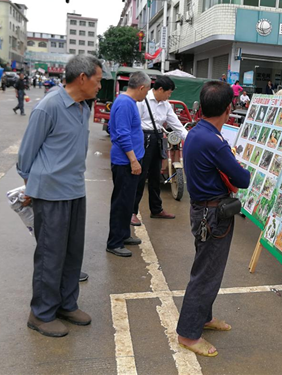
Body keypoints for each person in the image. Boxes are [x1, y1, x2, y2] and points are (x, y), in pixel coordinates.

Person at [17, 55, 103, 338]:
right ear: (82, 78)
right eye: (98, 80)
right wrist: (31, 187)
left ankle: (66, 304)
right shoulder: (49, 106)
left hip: (76, 190)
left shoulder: (83, 107)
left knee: (72, 253)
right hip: (51, 193)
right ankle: (40, 314)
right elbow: (26, 154)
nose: (100, 86)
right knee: (50, 256)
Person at [176, 81, 250, 357]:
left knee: (206, 269)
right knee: (206, 275)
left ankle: (203, 318)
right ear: (229, 109)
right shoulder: (214, 141)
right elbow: (242, 179)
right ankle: (188, 334)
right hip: (213, 216)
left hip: (202, 211)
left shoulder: (197, 132)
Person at [107, 71, 152, 257]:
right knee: (122, 202)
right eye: (147, 90)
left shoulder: (127, 102)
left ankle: (123, 235)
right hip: (126, 162)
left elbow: (112, 127)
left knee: (128, 201)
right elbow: (122, 134)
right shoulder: (125, 103)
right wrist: (133, 160)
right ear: (141, 87)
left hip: (130, 160)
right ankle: (114, 242)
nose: (147, 95)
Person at [133, 76, 187, 223]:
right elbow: (135, 123)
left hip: (158, 138)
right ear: (160, 90)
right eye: (168, 93)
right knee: (140, 176)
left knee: (156, 176)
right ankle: (132, 211)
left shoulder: (165, 104)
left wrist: (188, 138)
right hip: (144, 138)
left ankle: (156, 209)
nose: (169, 96)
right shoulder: (143, 100)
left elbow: (175, 123)